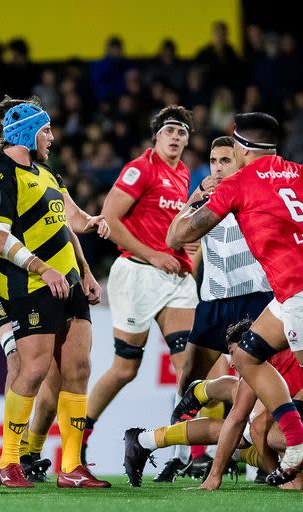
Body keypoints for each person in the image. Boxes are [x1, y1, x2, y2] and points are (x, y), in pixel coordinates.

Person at [0, 97, 108, 485]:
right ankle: (10, 459)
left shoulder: (48, 173)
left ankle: (71, 465)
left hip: (66, 280)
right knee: (29, 368)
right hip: (20, 281)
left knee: (78, 368)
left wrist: (85, 267)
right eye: (46, 129)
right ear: (26, 131)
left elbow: (69, 222)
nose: (53, 136)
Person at [167, 112, 303, 486]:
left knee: (262, 403)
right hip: (280, 296)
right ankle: (297, 439)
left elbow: (178, 237)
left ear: (242, 148)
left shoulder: (240, 182)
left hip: (293, 293)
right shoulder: (298, 171)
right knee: (245, 354)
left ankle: (296, 439)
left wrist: (190, 205)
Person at [85, 106, 198, 480]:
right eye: (169, 129)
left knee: (189, 366)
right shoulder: (140, 168)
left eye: (182, 131)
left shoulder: (182, 174)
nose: (176, 136)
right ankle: (80, 434)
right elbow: (108, 220)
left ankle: (184, 452)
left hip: (175, 280)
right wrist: (153, 254)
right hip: (137, 273)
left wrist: (187, 255)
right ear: (156, 136)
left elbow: (176, 228)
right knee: (125, 369)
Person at [124, 319, 303, 487]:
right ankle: (151, 437)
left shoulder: (265, 352)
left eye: (233, 353)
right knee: (253, 428)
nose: (232, 363)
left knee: (254, 430)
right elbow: (241, 421)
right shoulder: (260, 356)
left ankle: (150, 437)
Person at [173, 137, 273, 420]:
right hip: (215, 302)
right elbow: (176, 238)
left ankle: (256, 461)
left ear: (239, 161)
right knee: (187, 383)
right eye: (213, 161)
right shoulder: (205, 201)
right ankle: (189, 454)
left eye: (225, 161)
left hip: (255, 298)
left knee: (257, 387)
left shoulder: (257, 192)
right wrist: (193, 198)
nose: (217, 169)